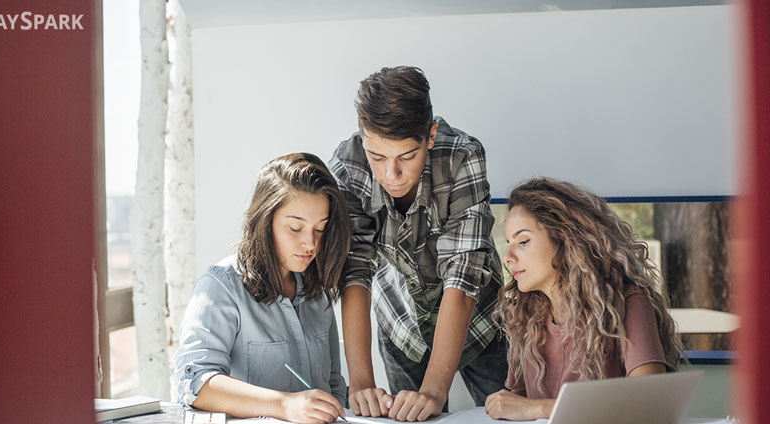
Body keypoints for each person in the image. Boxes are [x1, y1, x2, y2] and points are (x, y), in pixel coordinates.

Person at [329, 66, 507, 422]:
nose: (390, 176)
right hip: (401, 323)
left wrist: (433, 390)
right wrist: (360, 383)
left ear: (430, 135)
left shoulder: (462, 156)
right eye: (377, 158)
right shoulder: (348, 167)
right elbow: (355, 273)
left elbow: (463, 275)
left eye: (406, 157)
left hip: (481, 323)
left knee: (510, 417)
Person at [484, 178, 684, 421]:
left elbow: (648, 406)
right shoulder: (525, 314)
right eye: (508, 244)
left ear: (566, 239)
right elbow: (516, 404)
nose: (507, 257)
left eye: (523, 241)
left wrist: (539, 408)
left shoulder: (629, 302)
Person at [174, 153, 350, 424]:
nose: (310, 244)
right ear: (265, 222)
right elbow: (196, 383)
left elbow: (334, 385)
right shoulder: (220, 287)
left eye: (320, 229)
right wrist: (284, 405)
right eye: (295, 228)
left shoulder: (318, 295)